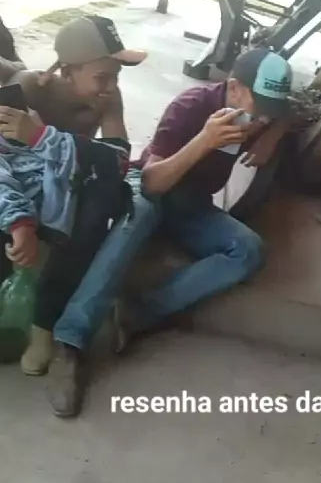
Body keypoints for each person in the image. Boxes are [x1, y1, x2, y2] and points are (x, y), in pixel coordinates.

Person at [46, 47, 293, 418]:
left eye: (270, 112)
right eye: (259, 109)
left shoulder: (262, 115)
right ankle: (70, 339)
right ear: (234, 88)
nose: (262, 119)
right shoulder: (191, 107)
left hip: (193, 205)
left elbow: (290, 111)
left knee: (248, 249)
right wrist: (205, 141)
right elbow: (150, 182)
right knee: (141, 211)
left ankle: (138, 314)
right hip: (153, 187)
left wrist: (273, 132)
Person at [0, 14, 146, 380]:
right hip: (22, 191)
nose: (110, 87)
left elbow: (117, 160)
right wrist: (19, 222)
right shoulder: (27, 90)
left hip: (72, 192)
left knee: (105, 190)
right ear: (67, 71)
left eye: (115, 77)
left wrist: (42, 137)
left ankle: (44, 326)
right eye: (102, 77)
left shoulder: (108, 100)